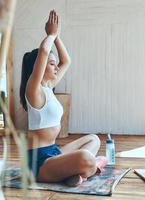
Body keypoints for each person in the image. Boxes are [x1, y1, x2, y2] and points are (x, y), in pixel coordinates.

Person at [19, 10, 107, 186]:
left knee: (93, 139)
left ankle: (74, 173)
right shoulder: (33, 90)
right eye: (52, 64)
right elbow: (44, 51)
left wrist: (57, 36)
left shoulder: (48, 87)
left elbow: (66, 61)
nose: (56, 67)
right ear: (40, 67)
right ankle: (88, 168)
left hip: (53, 152)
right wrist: (50, 34)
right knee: (86, 158)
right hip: (38, 163)